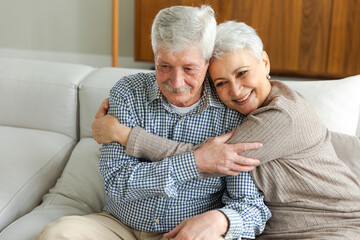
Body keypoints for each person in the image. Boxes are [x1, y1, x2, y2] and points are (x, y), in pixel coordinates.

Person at [94, 21, 360, 239]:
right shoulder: (243, 113)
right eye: (221, 82)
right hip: (282, 229)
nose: (235, 90)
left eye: (242, 73)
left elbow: (209, 159)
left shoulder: (283, 115)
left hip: (332, 225)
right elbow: (205, 157)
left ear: (264, 63)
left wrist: (124, 135)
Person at [40, 6, 271, 240]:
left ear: (207, 62)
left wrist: (221, 221)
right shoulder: (127, 92)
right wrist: (195, 163)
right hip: (119, 226)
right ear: (155, 56)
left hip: (184, 233)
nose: (176, 81)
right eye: (164, 66)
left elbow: (249, 207)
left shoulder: (232, 111)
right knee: (57, 233)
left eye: (189, 68)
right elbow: (117, 183)